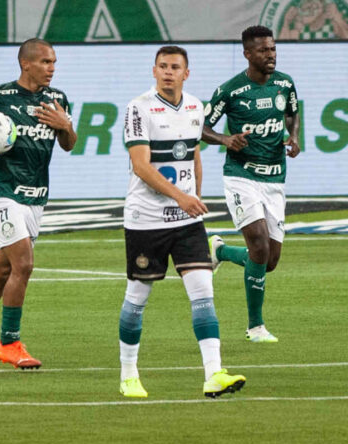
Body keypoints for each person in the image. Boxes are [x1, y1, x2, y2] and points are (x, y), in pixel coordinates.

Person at [118, 46, 246, 398]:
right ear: (154, 70)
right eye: (163, 66)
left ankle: (214, 374)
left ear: (186, 73)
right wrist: (181, 197)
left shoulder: (194, 107)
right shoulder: (138, 108)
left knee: (204, 292)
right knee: (137, 297)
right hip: (146, 220)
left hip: (186, 222)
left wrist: (195, 198)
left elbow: (193, 154)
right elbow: (142, 166)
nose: (168, 72)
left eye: (175, 67)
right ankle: (128, 374)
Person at [0, 38, 77, 369]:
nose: (52, 68)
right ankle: (10, 343)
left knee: (3, 270)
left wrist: (65, 126)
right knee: (24, 264)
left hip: (35, 197)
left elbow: (68, 144)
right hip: (2, 191)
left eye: (53, 63)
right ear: (26, 64)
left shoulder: (58, 100)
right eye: (46, 62)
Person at [203, 25, 300, 343]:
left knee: (268, 261)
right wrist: (225, 139)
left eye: (272, 49)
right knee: (258, 243)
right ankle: (255, 326)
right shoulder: (231, 91)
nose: (270, 54)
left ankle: (221, 250)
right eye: (263, 50)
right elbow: (200, 125)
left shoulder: (285, 83)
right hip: (241, 176)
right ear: (247, 54)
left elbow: (291, 113)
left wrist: (293, 136)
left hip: (275, 179)